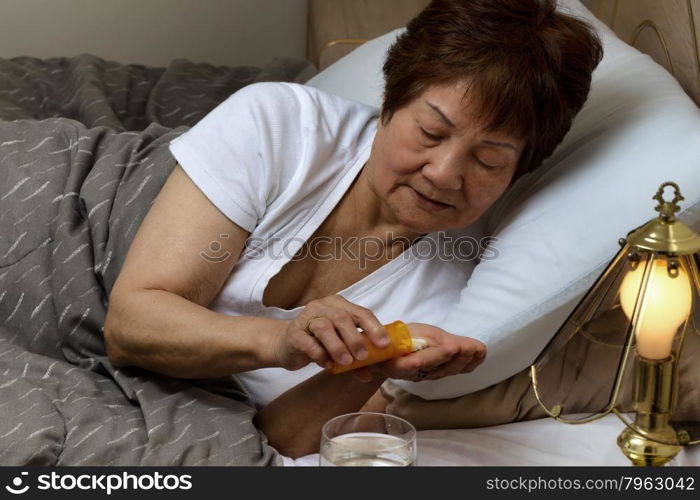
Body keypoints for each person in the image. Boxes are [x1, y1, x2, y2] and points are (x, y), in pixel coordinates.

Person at [104, 0, 603, 458]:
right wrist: (282, 340)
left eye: (489, 160)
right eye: (430, 133)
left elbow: (278, 440)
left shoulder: (451, 298)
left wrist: (371, 368)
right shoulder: (281, 125)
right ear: (388, 100)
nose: (444, 173)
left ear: (521, 170)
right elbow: (130, 325)